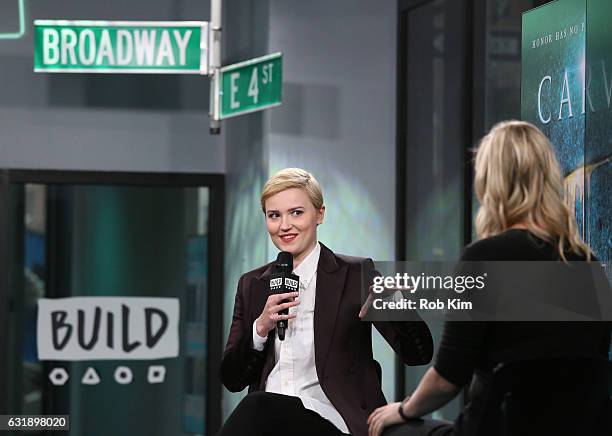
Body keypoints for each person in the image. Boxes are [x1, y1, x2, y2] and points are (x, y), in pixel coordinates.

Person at [367, 120, 611, 436]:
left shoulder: (483, 258)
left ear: (490, 183)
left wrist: (400, 410)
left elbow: (447, 379)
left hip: (495, 429)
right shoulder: (586, 262)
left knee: (390, 430)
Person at [217, 168, 434, 436]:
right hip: (267, 423)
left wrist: (394, 302)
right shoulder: (252, 284)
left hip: (331, 418)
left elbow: (419, 354)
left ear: (319, 214)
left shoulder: (355, 275)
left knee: (259, 405)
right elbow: (232, 379)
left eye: (296, 213)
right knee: (261, 405)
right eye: (274, 215)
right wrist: (260, 329)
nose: (285, 225)